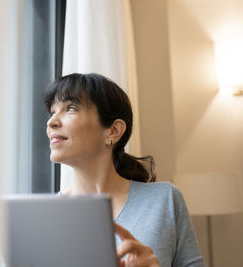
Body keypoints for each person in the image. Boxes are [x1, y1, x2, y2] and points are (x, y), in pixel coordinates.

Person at [44, 73, 206, 267]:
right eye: (52, 111)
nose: (51, 122)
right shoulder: (42, 221)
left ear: (113, 131)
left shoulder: (164, 200)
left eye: (70, 108)